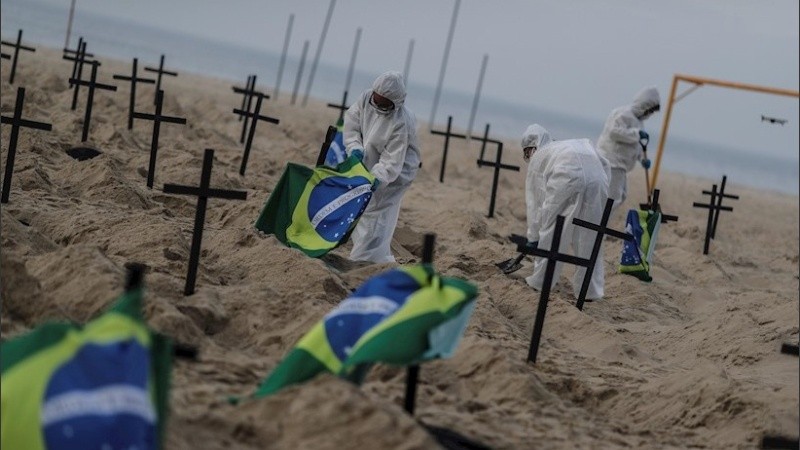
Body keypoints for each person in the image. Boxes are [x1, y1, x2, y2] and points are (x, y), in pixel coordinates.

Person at [522, 124, 610, 300]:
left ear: (531, 148)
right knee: (590, 233)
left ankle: (541, 282)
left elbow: (535, 203)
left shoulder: (539, 157)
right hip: (598, 178)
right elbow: (605, 163)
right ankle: (590, 292)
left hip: (566, 175)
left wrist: (533, 238)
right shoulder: (566, 145)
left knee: (552, 227)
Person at [343, 71, 421, 263]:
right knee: (364, 209)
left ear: (395, 103)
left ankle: (365, 260)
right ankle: (377, 258)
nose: (378, 106)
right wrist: (354, 147)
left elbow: (392, 159)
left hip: (397, 172)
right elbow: (352, 125)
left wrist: (379, 177)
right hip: (369, 161)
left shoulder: (401, 121)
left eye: (384, 104)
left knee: (376, 214)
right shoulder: (365, 99)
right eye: (376, 101)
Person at [595, 86, 660, 214]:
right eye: (650, 111)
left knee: (621, 196)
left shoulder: (639, 122)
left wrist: (642, 158)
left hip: (621, 166)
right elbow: (614, 132)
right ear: (644, 106)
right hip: (611, 161)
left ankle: (601, 225)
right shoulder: (623, 114)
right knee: (611, 198)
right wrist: (636, 134)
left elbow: (636, 145)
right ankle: (598, 227)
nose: (650, 114)